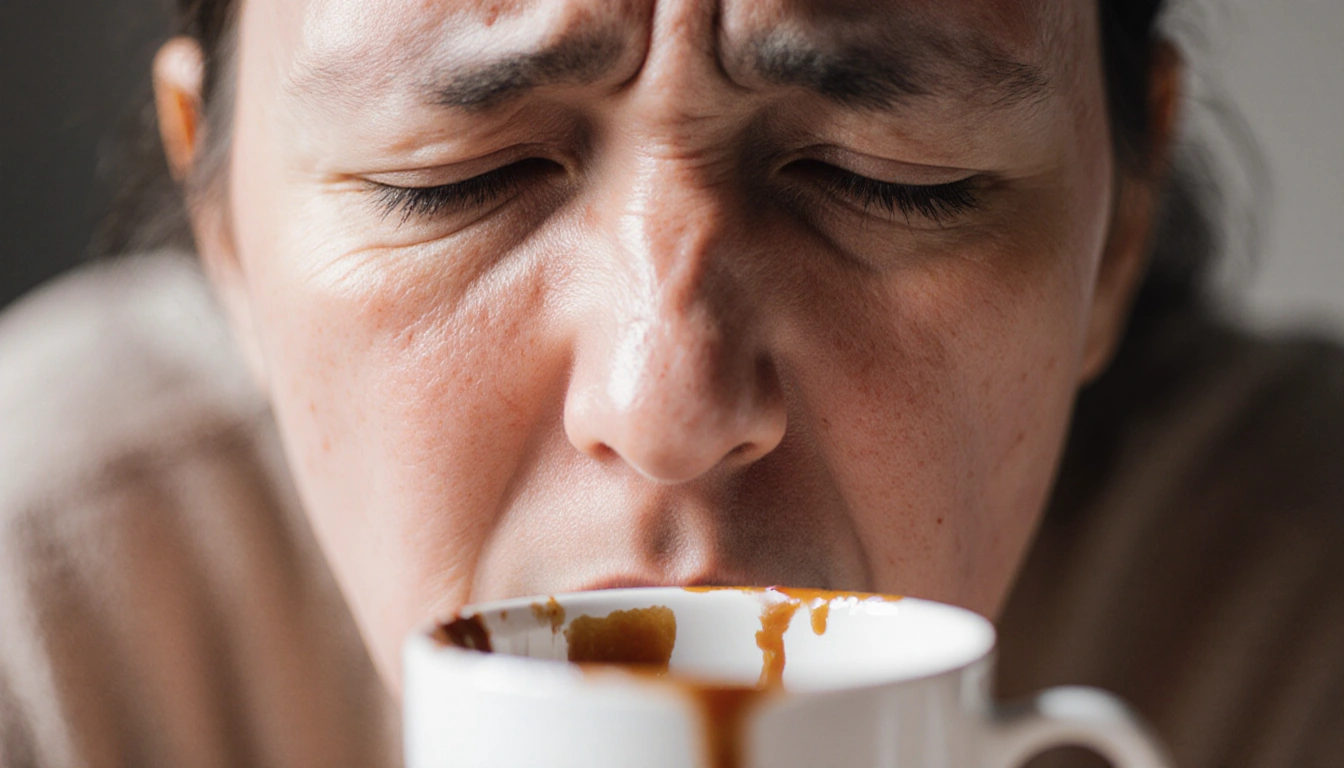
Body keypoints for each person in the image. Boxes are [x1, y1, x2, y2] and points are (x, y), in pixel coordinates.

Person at [0, 0, 1340, 766]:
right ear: (226, 224)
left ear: (1116, 231)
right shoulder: (46, 632)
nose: (668, 406)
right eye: (456, 183)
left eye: (888, 179)